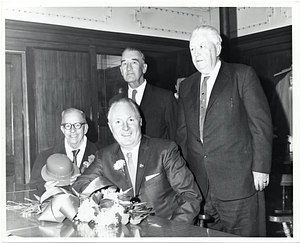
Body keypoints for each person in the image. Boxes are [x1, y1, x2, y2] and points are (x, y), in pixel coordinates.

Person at [175, 25, 273, 236]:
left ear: (217, 48)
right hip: (201, 184)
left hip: (239, 183)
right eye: (192, 49)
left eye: (202, 47)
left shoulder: (242, 75)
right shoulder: (187, 86)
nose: (196, 54)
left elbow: (261, 124)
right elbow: (183, 135)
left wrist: (261, 167)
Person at [73, 98, 201, 224]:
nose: (125, 128)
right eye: (118, 122)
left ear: (140, 122)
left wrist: (171, 234)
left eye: (130, 120)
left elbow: (190, 196)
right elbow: (79, 185)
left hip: (164, 230)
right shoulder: (104, 156)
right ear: (110, 127)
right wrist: (106, 199)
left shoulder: (165, 150)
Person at [109, 47, 177, 140]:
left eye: (134, 62)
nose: (128, 68)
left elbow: (176, 136)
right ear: (121, 70)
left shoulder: (165, 98)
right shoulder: (115, 102)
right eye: (124, 64)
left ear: (144, 68)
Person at [28, 108, 98, 196]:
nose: (72, 130)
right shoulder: (44, 157)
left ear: (85, 128)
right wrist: (46, 190)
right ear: (62, 129)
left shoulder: (101, 154)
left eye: (77, 125)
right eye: (68, 126)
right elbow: (32, 189)